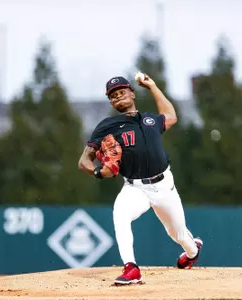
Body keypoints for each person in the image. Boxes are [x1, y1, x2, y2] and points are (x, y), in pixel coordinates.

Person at [78, 74, 203, 285]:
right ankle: (131, 268)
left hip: (164, 186)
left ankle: (192, 253)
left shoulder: (150, 120)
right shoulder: (107, 126)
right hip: (135, 188)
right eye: (113, 96)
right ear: (110, 102)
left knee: (178, 234)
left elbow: (171, 116)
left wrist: (152, 86)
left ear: (132, 93)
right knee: (120, 214)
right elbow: (84, 161)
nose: (118, 97)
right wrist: (98, 172)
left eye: (122, 92)